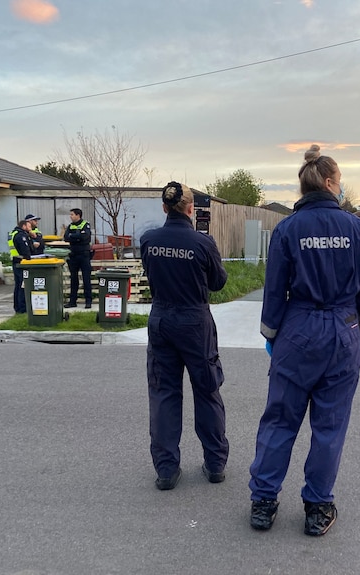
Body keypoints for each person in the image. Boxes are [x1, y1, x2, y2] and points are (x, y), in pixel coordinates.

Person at [248, 145, 360, 536]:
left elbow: (274, 291)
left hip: (298, 330)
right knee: (329, 425)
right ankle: (318, 507)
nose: (341, 187)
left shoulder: (288, 229)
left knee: (280, 420)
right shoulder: (357, 229)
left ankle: (264, 501)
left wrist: (271, 333)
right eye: (340, 181)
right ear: (329, 183)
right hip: (343, 331)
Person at [140, 181, 229, 491]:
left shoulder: (149, 240)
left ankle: (166, 469)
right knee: (206, 390)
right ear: (191, 209)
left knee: (164, 393)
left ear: (164, 208)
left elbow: (151, 273)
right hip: (195, 322)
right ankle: (215, 463)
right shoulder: (203, 243)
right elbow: (218, 282)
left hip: (162, 319)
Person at [63, 208, 93, 309]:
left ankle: (88, 301)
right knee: (73, 279)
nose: (70, 216)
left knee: (86, 279)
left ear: (78, 215)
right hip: (73, 255)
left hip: (84, 255)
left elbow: (85, 237)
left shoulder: (85, 224)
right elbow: (66, 237)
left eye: (72, 214)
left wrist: (73, 236)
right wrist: (77, 236)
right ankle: (72, 301)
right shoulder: (70, 226)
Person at [8, 219, 34, 314]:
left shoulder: (13, 233)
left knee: (18, 286)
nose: (30, 229)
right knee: (23, 285)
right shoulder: (21, 236)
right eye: (29, 226)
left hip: (15, 261)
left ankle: (17, 307)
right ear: (24, 226)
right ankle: (22, 308)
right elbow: (25, 250)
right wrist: (30, 257)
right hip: (22, 262)